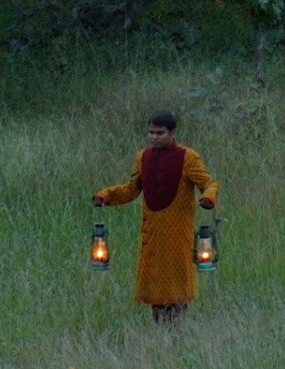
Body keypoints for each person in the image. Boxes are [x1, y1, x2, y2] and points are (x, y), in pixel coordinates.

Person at [92, 110, 219, 324]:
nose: (153, 137)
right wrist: (106, 196)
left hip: (178, 235)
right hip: (152, 234)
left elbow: (209, 183)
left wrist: (208, 198)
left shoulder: (188, 157)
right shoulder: (143, 157)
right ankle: (160, 331)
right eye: (151, 133)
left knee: (177, 288)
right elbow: (132, 189)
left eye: (159, 133)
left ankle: (177, 330)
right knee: (154, 286)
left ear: (172, 133)